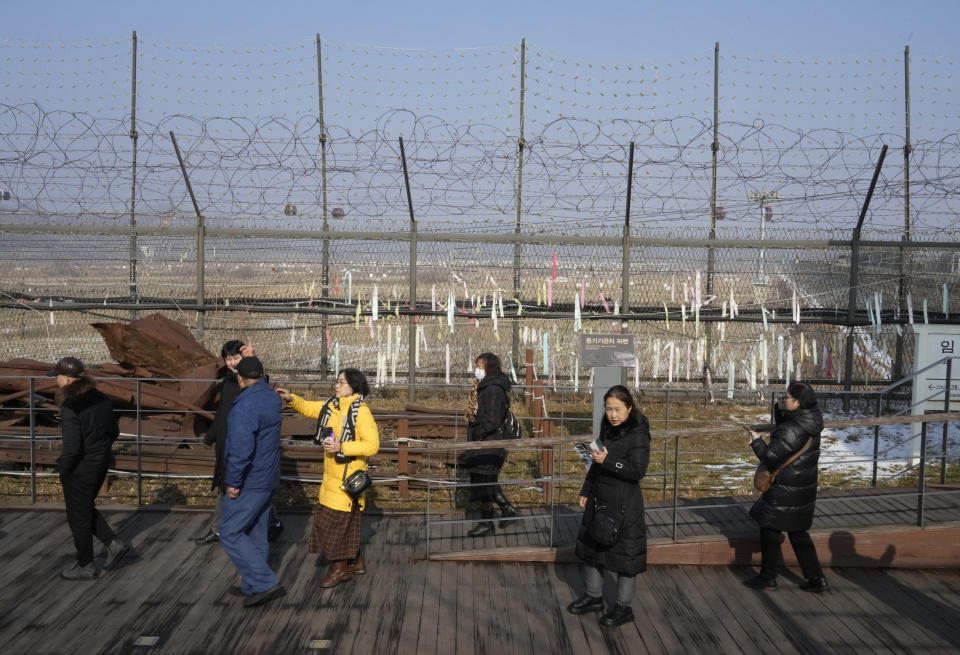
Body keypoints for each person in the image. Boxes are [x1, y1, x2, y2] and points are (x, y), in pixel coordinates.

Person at [276, 368, 380, 588]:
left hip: (347, 480)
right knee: (343, 525)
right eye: (337, 381)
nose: (336, 386)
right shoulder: (332, 406)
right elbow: (310, 407)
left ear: (354, 386)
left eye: (341, 383)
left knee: (334, 527)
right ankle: (356, 561)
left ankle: (339, 569)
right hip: (332, 478)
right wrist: (291, 399)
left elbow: (372, 445)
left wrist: (342, 445)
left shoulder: (361, 412)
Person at [568, 385, 650, 627]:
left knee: (626, 556)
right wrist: (586, 489)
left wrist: (609, 461)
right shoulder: (607, 426)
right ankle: (593, 597)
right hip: (599, 497)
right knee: (592, 548)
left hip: (624, 503)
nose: (613, 414)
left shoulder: (638, 432)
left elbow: (638, 471)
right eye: (609, 409)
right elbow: (596, 460)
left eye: (618, 409)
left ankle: (624, 608)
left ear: (629, 408)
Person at [195, 339, 283, 546]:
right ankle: (221, 528)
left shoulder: (251, 384)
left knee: (240, 489)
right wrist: (211, 437)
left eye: (236, 358)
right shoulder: (227, 383)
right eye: (228, 359)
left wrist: (252, 358)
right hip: (227, 442)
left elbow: (261, 379)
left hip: (242, 444)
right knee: (228, 488)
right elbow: (222, 414)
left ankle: (268, 524)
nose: (232, 363)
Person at [50, 356, 131, 580]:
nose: (55, 380)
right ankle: (114, 545)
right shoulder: (101, 398)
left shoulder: (70, 408)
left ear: (66, 379)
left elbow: (72, 448)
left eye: (56, 376)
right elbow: (113, 432)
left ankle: (85, 564)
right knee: (84, 507)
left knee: (78, 517)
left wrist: (63, 470)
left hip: (80, 468)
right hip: (101, 461)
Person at [745, 381, 827, 593]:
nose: (783, 398)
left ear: (797, 402)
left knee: (770, 529)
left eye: (787, 397)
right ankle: (816, 579)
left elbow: (771, 456)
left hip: (785, 487)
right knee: (798, 532)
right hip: (801, 485)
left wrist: (756, 440)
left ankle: (768, 578)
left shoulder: (794, 428)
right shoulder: (810, 420)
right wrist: (780, 410)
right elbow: (785, 435)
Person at [219, 356, 286, 607]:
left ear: (239, 378)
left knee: (229, 532)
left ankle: (264, 582)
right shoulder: (270, 397)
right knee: (256, 531)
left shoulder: (244, 407)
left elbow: (241, 450)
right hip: (269, 476)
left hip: (250, 480)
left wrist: (233, 482)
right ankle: (252, 585)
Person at [463, 352, 518, 538]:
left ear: (488, 367)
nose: (476, 370)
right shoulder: (486, 386)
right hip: (486, 442)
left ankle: (490, 520)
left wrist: (478, 433)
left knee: (485, 481)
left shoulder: (492, 389)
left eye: (479, 366)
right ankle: (505, 509)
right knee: (486, 481)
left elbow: (492, 419)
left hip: (489, 443)